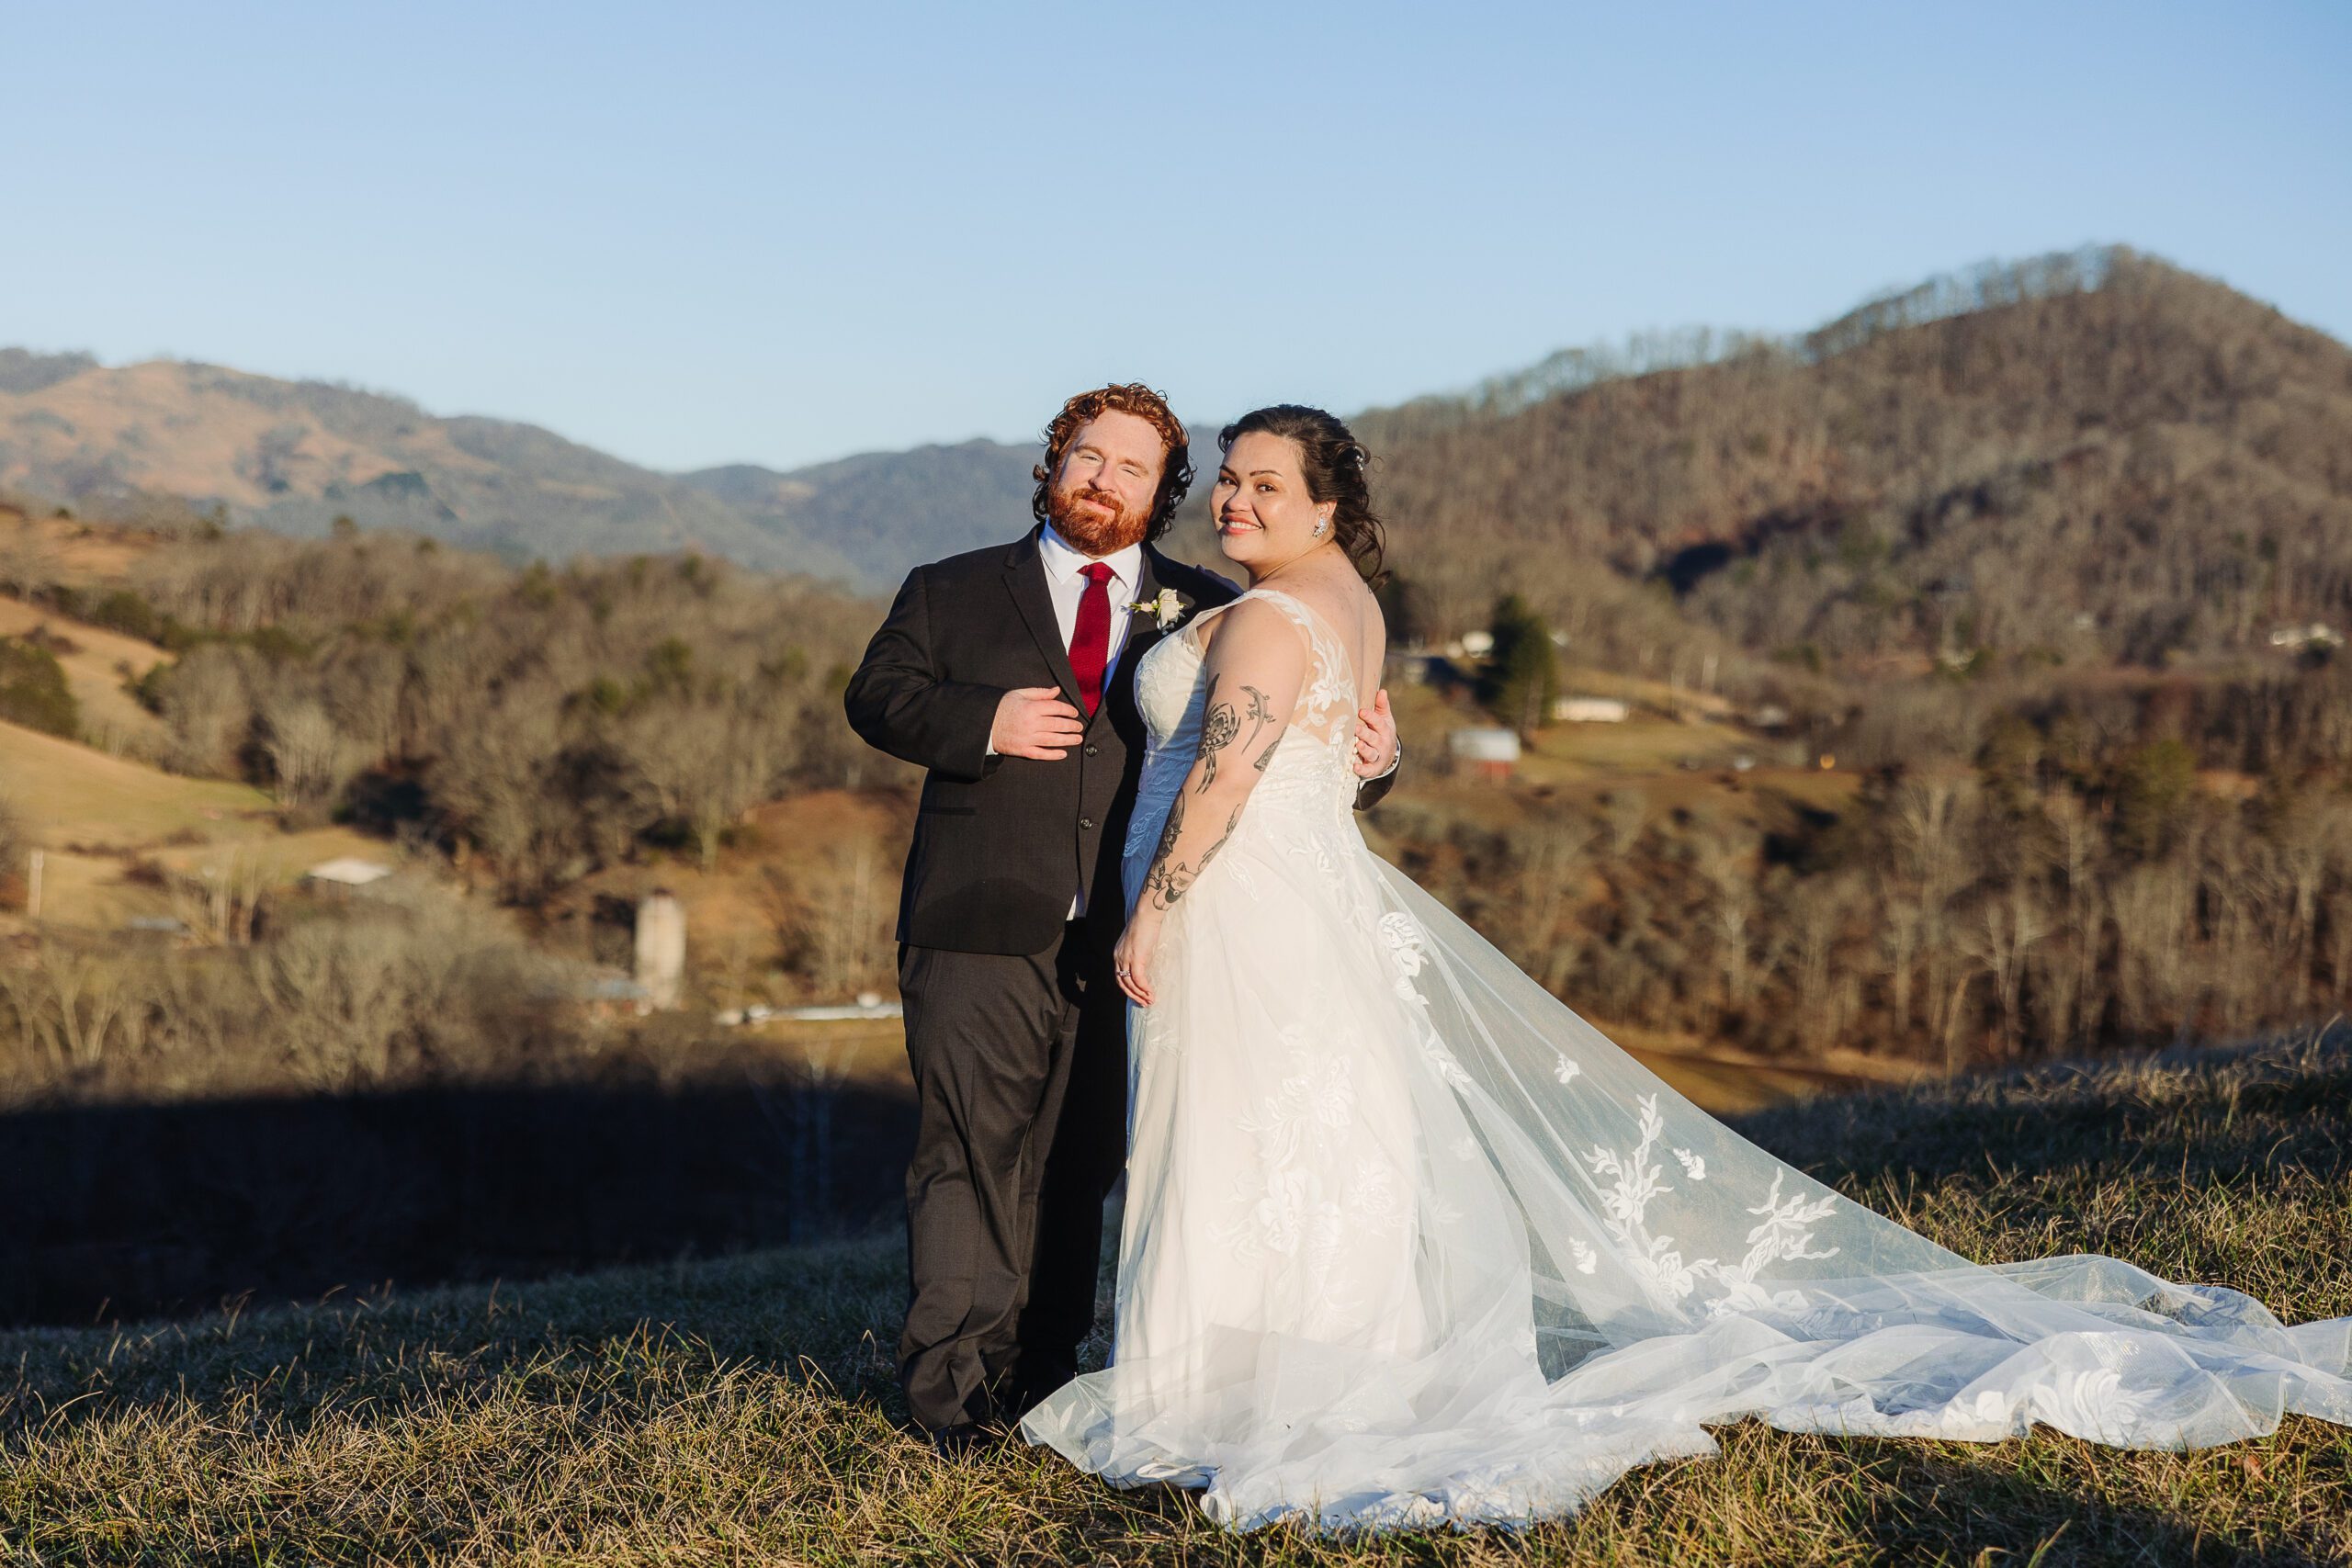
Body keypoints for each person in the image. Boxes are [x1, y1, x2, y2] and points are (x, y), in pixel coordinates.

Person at [1018, 404, 2352, 1531]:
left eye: (1265, 485)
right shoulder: (1349, 605)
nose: (1235, 502)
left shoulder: (1261, 620)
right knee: (1316, 1126)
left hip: (1246, 900)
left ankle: (1235, 1381)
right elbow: (1352, 752)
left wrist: (1160, 912)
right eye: (1231, 479)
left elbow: (1234, 772)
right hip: (1313, 895)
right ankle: (1323, 1356)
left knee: (1247, 1127)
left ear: (1323, 506)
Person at [842, 384, 1401, 1457]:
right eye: (1087, 457)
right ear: (1055, 465)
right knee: (967, 1158)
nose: (1105, 478)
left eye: (1133, 467)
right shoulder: (952, 588)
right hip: (978, 921)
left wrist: (1378, 763)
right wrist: (983, 720)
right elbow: (877, 696)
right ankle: (951, 1402)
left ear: (1160, 493)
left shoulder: (1208, 604)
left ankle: (1044, 1386)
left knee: (1083, 1162)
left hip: (1140, 935)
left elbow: (1277, 746)